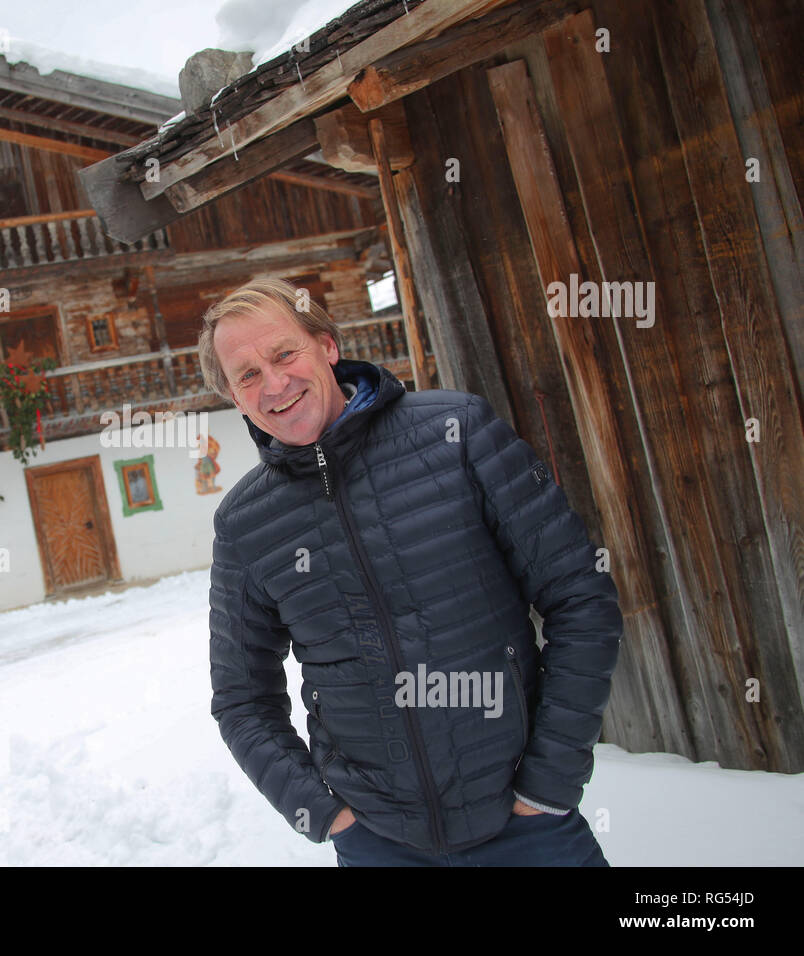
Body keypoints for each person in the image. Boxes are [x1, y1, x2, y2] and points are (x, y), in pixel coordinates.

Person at [199, 277, 623, 866]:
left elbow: (580, 596)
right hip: (381, 845)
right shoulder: (245, 524)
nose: (274, 384)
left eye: (284, 353)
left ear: (326, 345)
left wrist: (548, 783)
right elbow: (243, 700)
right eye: (247, 375)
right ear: (233, 397)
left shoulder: (457, 432)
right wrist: (328, 818)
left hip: (527, 829)